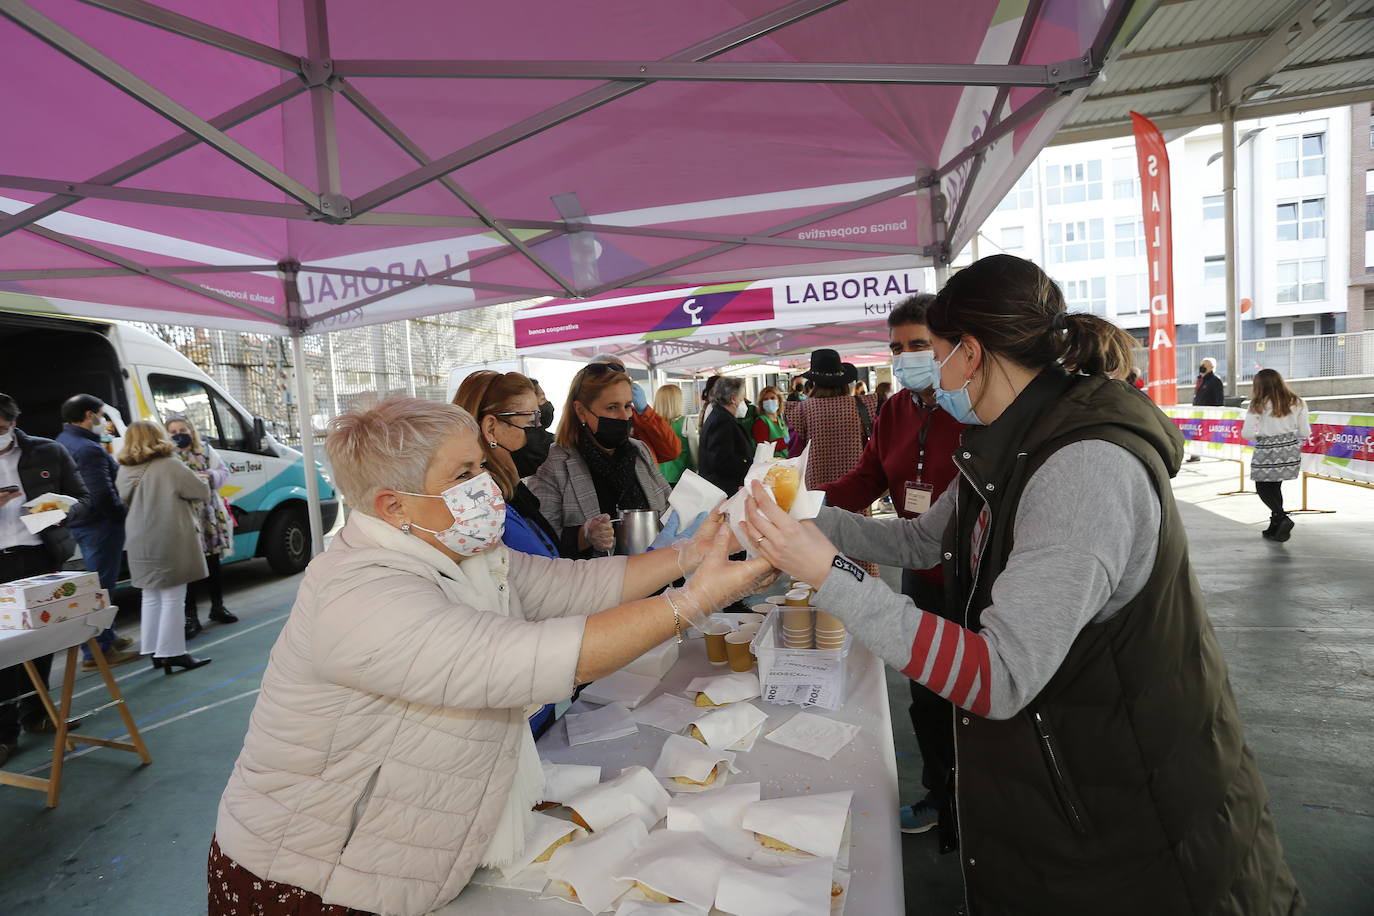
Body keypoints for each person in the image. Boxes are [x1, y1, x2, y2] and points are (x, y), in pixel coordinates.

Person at [741, 254, 1303, 915]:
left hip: (1136, 822)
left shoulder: (1083, 466)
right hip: (1070, 787)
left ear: (969, 354)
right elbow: (925, 540)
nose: (928, 372)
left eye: (935, 351)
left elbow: (998, 677)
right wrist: (806, 521)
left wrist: (825, 572)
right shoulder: (1007, 440)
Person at [209, 396, 771, 916]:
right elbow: (531, 659)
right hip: (313, 878)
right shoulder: (360, 595)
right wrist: (698, 600)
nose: (487, 488)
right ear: (392, 504)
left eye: (479, 467)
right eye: (461, 476)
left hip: (402, 856)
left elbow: (572, 588)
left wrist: (689, 555)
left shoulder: (461, 551)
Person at [813, 294, 964, 844]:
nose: (906, 357)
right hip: (920, 575)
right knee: (926, 698)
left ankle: (975, 811)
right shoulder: (896, 409)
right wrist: (804, 507)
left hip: (977, 582)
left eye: (919, 345)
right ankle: (938, 796)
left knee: (972, 701)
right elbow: (865, 478)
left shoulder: (973, 406)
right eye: (897, 348)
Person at [0, 392, 93, 765]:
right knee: (4, 651)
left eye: (2, 428)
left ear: (13, 424)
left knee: (40, 640)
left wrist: (59, 512)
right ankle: (4, 732)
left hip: (39, 555)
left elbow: (83, 497)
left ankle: (37, 713)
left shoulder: (47, 452)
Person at [530, 363, 672, 558]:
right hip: (597, 582)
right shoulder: (554, 462)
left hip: (652, 576)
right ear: (581, 411)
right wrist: (584, 535)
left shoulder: (639, 451)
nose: (624, 416)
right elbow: (541, 538)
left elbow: (667, 507)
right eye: (612, 407)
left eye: (628, 406)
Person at [115, 420, 213, 674]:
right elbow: (200, 491)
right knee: (172, 598)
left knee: (150, 596)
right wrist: (202, 479)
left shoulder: (124, 469)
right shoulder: (169, 465)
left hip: (138, 537)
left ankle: (153, 650)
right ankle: (173, 652)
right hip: (168, 535)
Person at [56, 393, 140, 670]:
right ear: (90, 416)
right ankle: (97, 652)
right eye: (102, 416)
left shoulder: (64, 441)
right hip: (100, 527)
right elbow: (101, 494)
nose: (104, 422)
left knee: (98, 586)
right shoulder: (88, 449)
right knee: (101, 590)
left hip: (84, 525)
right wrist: (123, 517)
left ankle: (106, 637)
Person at [452, 371, 561, 560]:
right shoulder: (488, 509)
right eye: (532, 421)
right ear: (491, 429)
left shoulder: (510, 493)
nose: (541, 431)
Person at [166, 415, 238, 638]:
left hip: (209, 514)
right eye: (174, 430)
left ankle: (218, 607)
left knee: (213, 562)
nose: (179, 433)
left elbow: (224, 472)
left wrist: (209, 475)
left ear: (191, 430)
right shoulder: (168, 455)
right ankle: (191, 617)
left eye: (183, 429)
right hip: (185, 515)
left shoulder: (206, 450)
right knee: (189, 567)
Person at [786, 349, 880, 489]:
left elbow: (795, 455)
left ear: (813, 382)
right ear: (844, 381)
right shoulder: (862, 406)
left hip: (816, 491)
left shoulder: (801, 411)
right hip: (855, 487)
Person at [1243, 369, 1311, 543]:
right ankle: (1275, 526)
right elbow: (1304, 431)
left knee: (1263, 487)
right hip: (1289, 449)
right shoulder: (1298, 401)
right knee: (1275, 486)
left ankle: (1282, 517)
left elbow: (1247, 432)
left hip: (1267, 448)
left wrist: (1260, 437)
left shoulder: (1258, 403)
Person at [588, 355, 682, 464]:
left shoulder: (638, 417)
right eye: (611, 408)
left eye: (622, 380)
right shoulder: (586, 421)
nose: (623, 416)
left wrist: (645, 412)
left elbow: (671, 451)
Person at [698, 377, 754, 495]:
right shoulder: (722, 421)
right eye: (741, 398)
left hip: (722, 487)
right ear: (733, 398)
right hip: (723, 490)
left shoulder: (720, 417)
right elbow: (722, 461)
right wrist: (748, 468)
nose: (744, 401)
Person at [653, 384, 694, 485]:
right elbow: (695, 454)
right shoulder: (686, 422)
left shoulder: (651, 424)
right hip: (683, 478)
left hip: (657, 478)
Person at [752, 386, 788, 457]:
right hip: (772, 464)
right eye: (765, 399)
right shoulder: (760, 423)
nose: (769, 401)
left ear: (779, 401)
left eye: (772, 398)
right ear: (761, 403)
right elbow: (763, 448)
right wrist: (786, 441)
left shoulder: (780, 420)